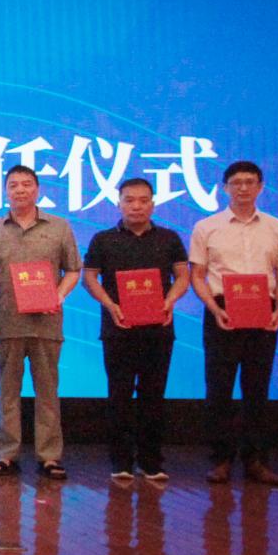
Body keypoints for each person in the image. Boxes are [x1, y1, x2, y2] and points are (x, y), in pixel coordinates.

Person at [189, 160, 278, 487]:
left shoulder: (277, 228)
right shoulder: (207, 227)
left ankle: (256, 460)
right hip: (222, 309)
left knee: (257, 389)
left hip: (264, 310)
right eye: (236, 182)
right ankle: (221, 460)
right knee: (218, 389)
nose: (243, 188)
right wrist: (213, 308)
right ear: (225, 188)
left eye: (250, 182)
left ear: (260, 187)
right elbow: (197, 275)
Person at [81, 178, 189, 482]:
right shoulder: (103, 239)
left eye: (143, 200)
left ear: (152, 204)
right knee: (119, 395)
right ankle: (121, 461)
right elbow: (89, 278)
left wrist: (169, 301)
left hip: (159, 328)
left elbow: (183, 276)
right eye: (129, 200)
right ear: (119, 203)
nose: (136, 206)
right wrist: (109, 305)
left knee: (153, 396)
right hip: (118, 328)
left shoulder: (169, 238)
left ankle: (151, 461)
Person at [0, 164, 80, 480]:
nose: (20, 190)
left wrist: (57, 296)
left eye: (26, 184)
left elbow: (73, 269)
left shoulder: (59, 227)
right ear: (5, 191)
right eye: (13, 185)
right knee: (7, 391)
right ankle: (6, 454)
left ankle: (49, 456)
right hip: (6, 321)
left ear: (37, 189)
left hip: (47, 324)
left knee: (47, 391)